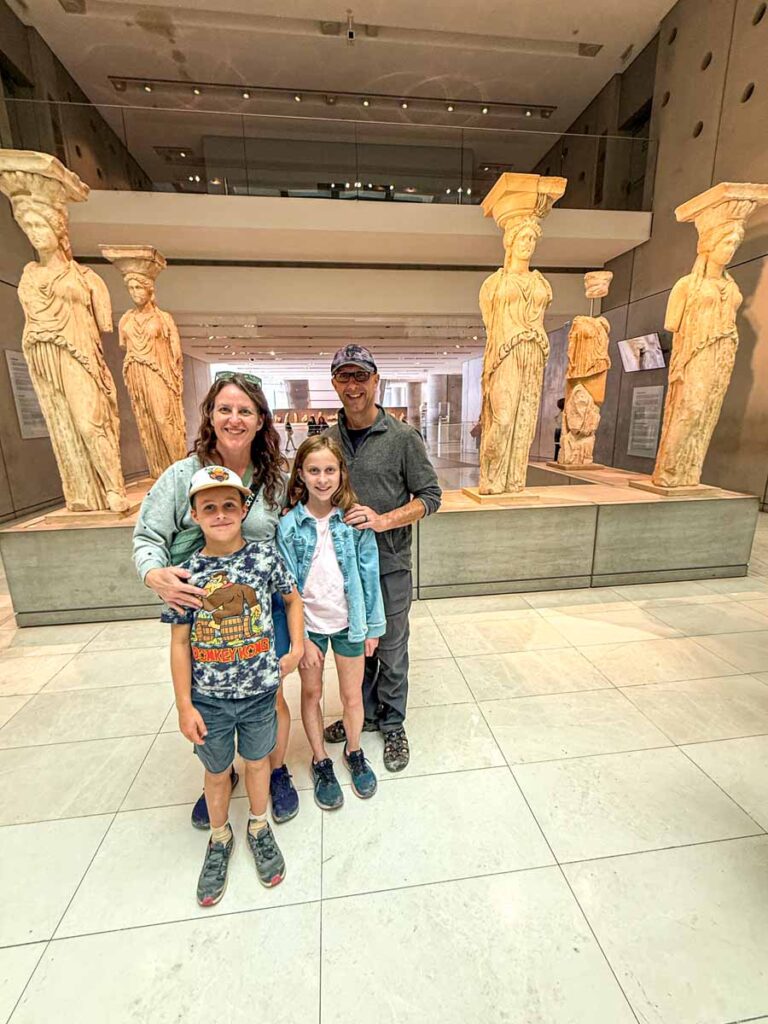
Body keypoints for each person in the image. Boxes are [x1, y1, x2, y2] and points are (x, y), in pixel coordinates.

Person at [133, 371, 300, 827]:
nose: (234, 418)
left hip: (261, 609)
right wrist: (155, 575)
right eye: (225, 408)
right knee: (210, 699)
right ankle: (220, 773)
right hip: (202, 609)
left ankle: (273, 768)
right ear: (210, 414)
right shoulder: (181, 476)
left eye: (245, 410)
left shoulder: (272, 479)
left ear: (261, 419)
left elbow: (298, 528)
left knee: (271, 697)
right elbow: (148, 536)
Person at [164, 465, 303, 905]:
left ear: (244, 509)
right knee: (216, 771)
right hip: (211, 700)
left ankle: (258, 826)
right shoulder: (185, 574)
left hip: (260, 690)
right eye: (209, 507)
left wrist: (296, 647)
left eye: (229, 505)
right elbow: (179, 641)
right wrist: (185, 705)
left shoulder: (264, 557)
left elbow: (291, 597)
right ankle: (220, 838)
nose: (220, 514)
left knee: (259, 763)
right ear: (194, 513)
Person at [322, 345, 442, 771]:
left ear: (376, 381)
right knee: (358, 645)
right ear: (335, 383)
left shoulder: (403, 438)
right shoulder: (325, 441)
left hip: (389, 562)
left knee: (390, 646)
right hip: (339, 567)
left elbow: (431, 497)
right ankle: (364, 713)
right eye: (344, 377)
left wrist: (384, 520)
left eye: (360, 377)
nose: (352, 386)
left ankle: (392, 723)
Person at [278, 435, 385, 809]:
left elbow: (370, 577)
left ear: (341, 473)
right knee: (311, 693)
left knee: (352, 695)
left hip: (349, 624)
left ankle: (354, 752)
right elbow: (287, 587)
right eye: (313, 471)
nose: (322, 479)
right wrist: (298, 639)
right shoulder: (289, 526)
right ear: (301, 476)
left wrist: (373, 628)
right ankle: (320, 759)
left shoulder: (355, 520)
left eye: (329, 470)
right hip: (309, 628)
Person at [554, 397, 565, 461]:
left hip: (557, 431)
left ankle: (556, 459)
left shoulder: (559, 413)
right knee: (559, 446)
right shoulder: (563, 413)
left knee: (557, 447)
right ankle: (557, 459)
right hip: (560, 430)